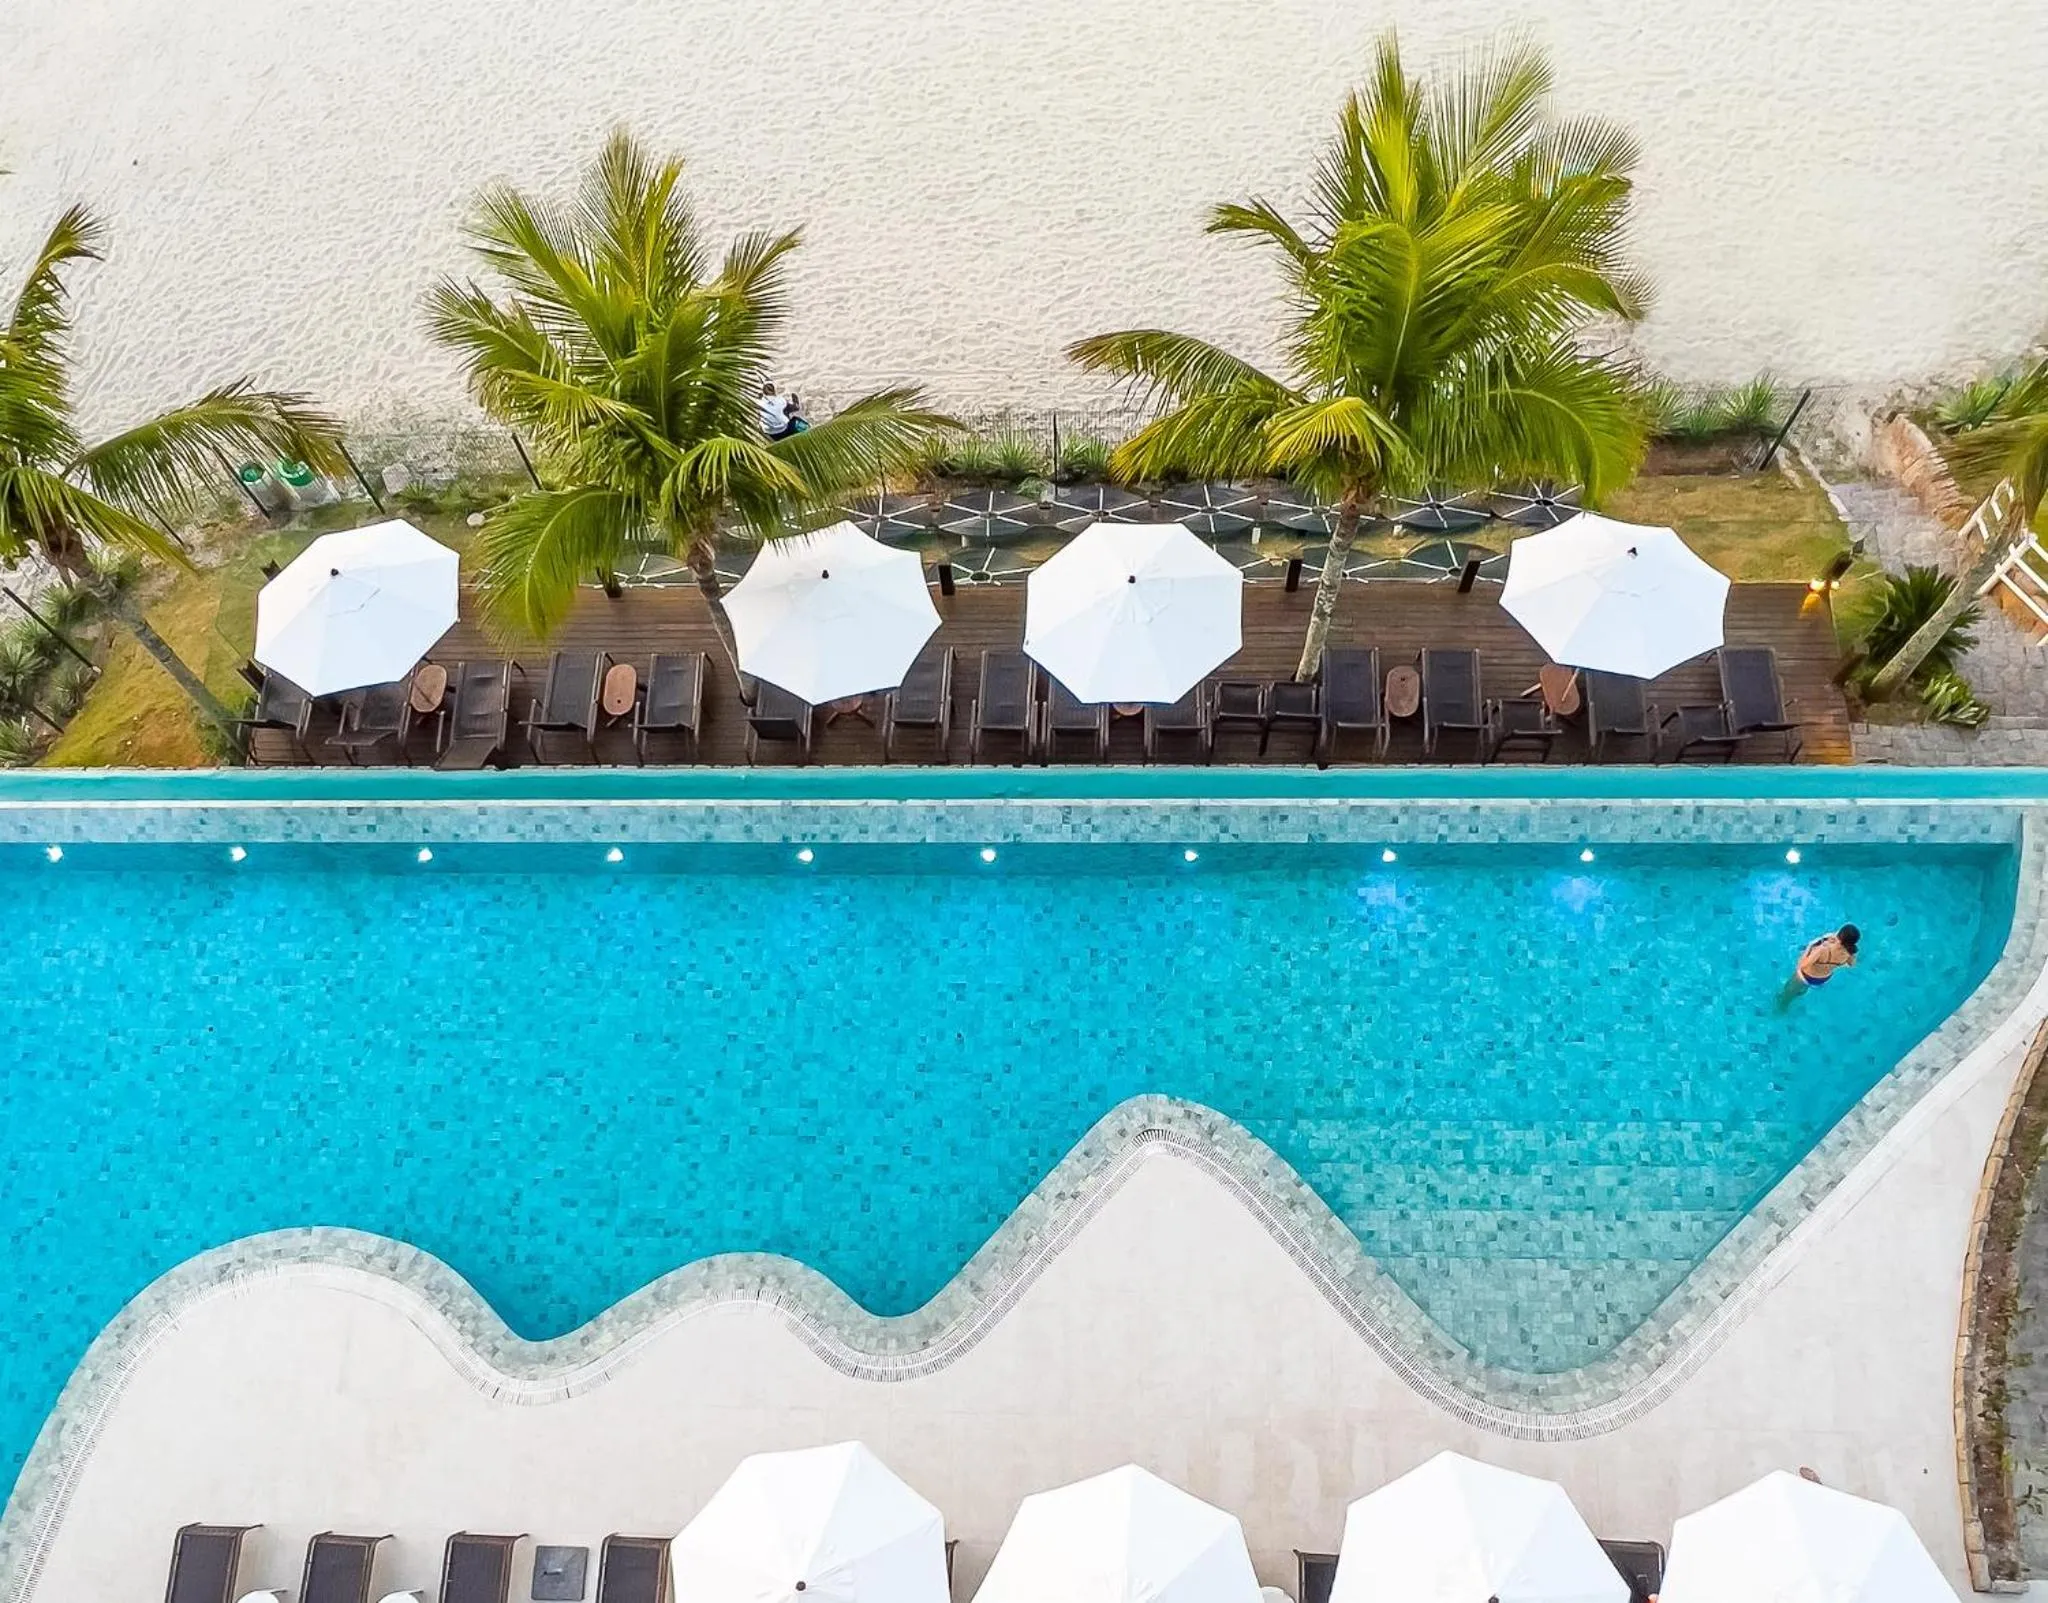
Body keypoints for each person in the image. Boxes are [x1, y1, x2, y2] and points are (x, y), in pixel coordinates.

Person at [1782, 923, 1859, 1002]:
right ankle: (1803, 988)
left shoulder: (1822, 950)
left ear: (1839, 935)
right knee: (1804, 986)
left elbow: (1802, 965)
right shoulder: (1850, 953)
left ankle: (1781, 1009)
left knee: (1786, 994)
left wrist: (1810, 946)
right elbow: (1851, 965)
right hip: (1822, 979)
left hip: (1806, 976)